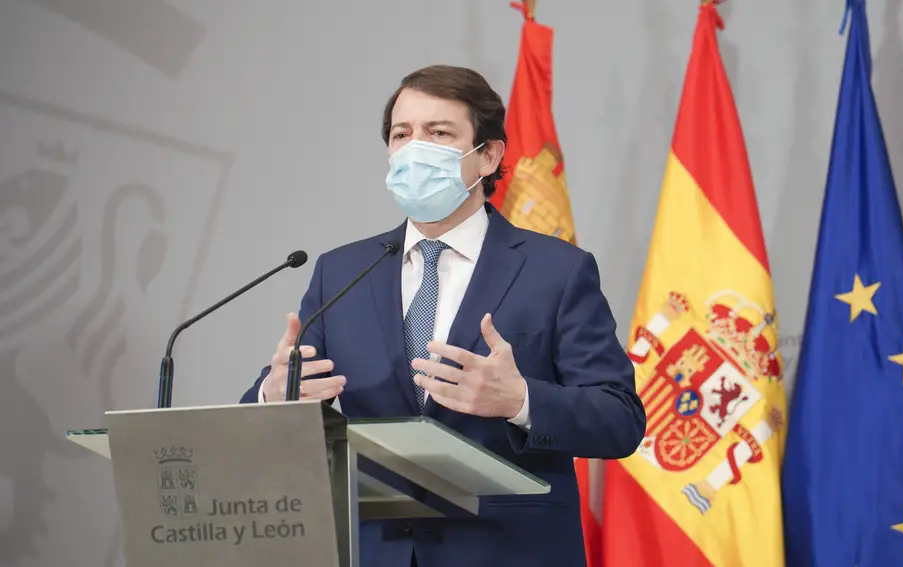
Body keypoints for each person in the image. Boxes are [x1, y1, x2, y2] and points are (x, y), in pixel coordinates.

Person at [240, 64, 645, 567]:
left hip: (510, 551)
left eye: (439, 133)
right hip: (373, 551)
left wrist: (519, 400)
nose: (415, 149)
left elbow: (620, 420)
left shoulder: (557, 271)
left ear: (488, 156)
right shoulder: (341, 270)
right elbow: (274, 394)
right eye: (401, 134)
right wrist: (272, 396)